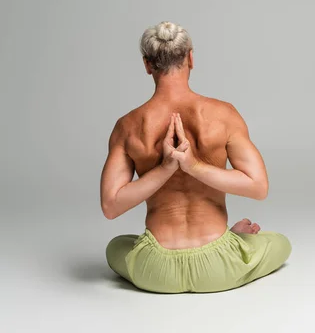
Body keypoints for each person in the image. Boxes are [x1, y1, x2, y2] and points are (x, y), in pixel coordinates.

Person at [100, 21, 291, 293]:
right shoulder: (224, 114)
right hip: (219, 265)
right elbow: (258, 187)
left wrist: (165, 168)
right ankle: (234, 240)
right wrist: (194, 166)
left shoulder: (127, 126)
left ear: (147, 65)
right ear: (190, 57)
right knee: (280, 242)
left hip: (155, 270)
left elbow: (111, 206)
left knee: (117, 246)